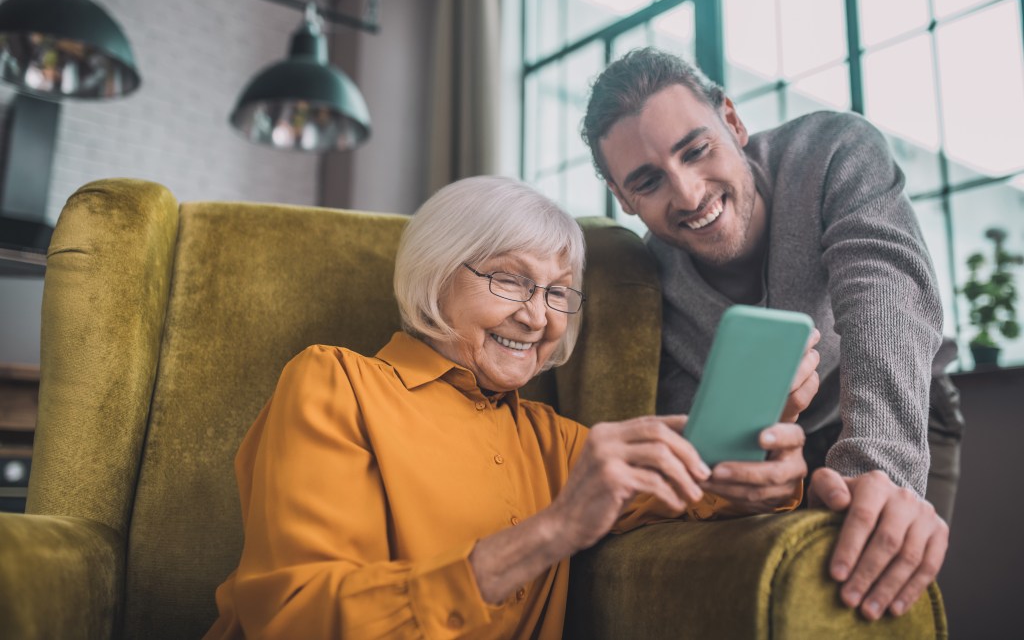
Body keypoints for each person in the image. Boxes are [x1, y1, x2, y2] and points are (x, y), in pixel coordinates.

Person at [203, 176, 816, 639]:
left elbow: (708, 491)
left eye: (557, 292)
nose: (537, 316)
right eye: (510, 280)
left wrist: (771, 447)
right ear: (435, 275)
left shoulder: (561, 443)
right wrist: (553, 530)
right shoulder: (336, 382)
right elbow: (297, 617)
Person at [580, 47, 959, 622]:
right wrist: (740, 484)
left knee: (880, 601)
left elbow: (886, 296)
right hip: (777, 456)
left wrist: (876, 469)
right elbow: (698, 433)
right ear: (623, 198)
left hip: (902, 412)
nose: (687, 194)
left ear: (732, 122)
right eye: (649, 181)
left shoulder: (834, 149)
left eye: (696, 150)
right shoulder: (645, 283)